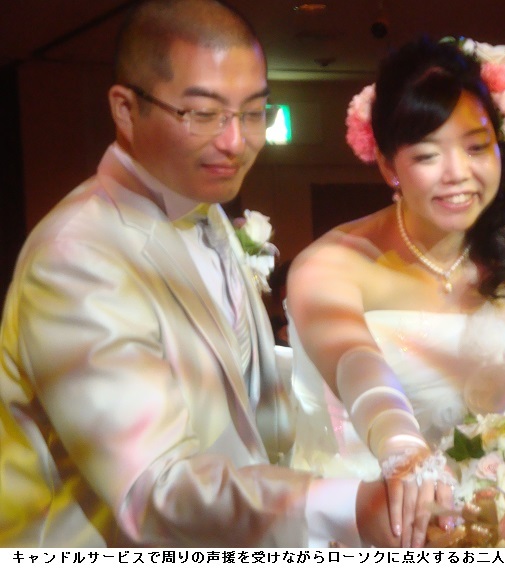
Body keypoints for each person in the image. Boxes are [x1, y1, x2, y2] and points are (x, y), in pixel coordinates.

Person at [0, 0, 398, 548]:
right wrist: (352, 508)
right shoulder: (78, 254)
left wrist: (365, 377)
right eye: (203, 114)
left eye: (253, 112)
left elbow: (227, 378)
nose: (236, 142)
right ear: (125, 109)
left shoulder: (204, 209)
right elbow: (155, 489)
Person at [286, 36, 505, 548]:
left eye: (477, 147)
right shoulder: (330, 265)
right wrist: (402, 447)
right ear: (389, 167)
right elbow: (355, 360)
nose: (458, 174)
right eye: (428, 154)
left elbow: (498, 420)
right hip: (352, 531)